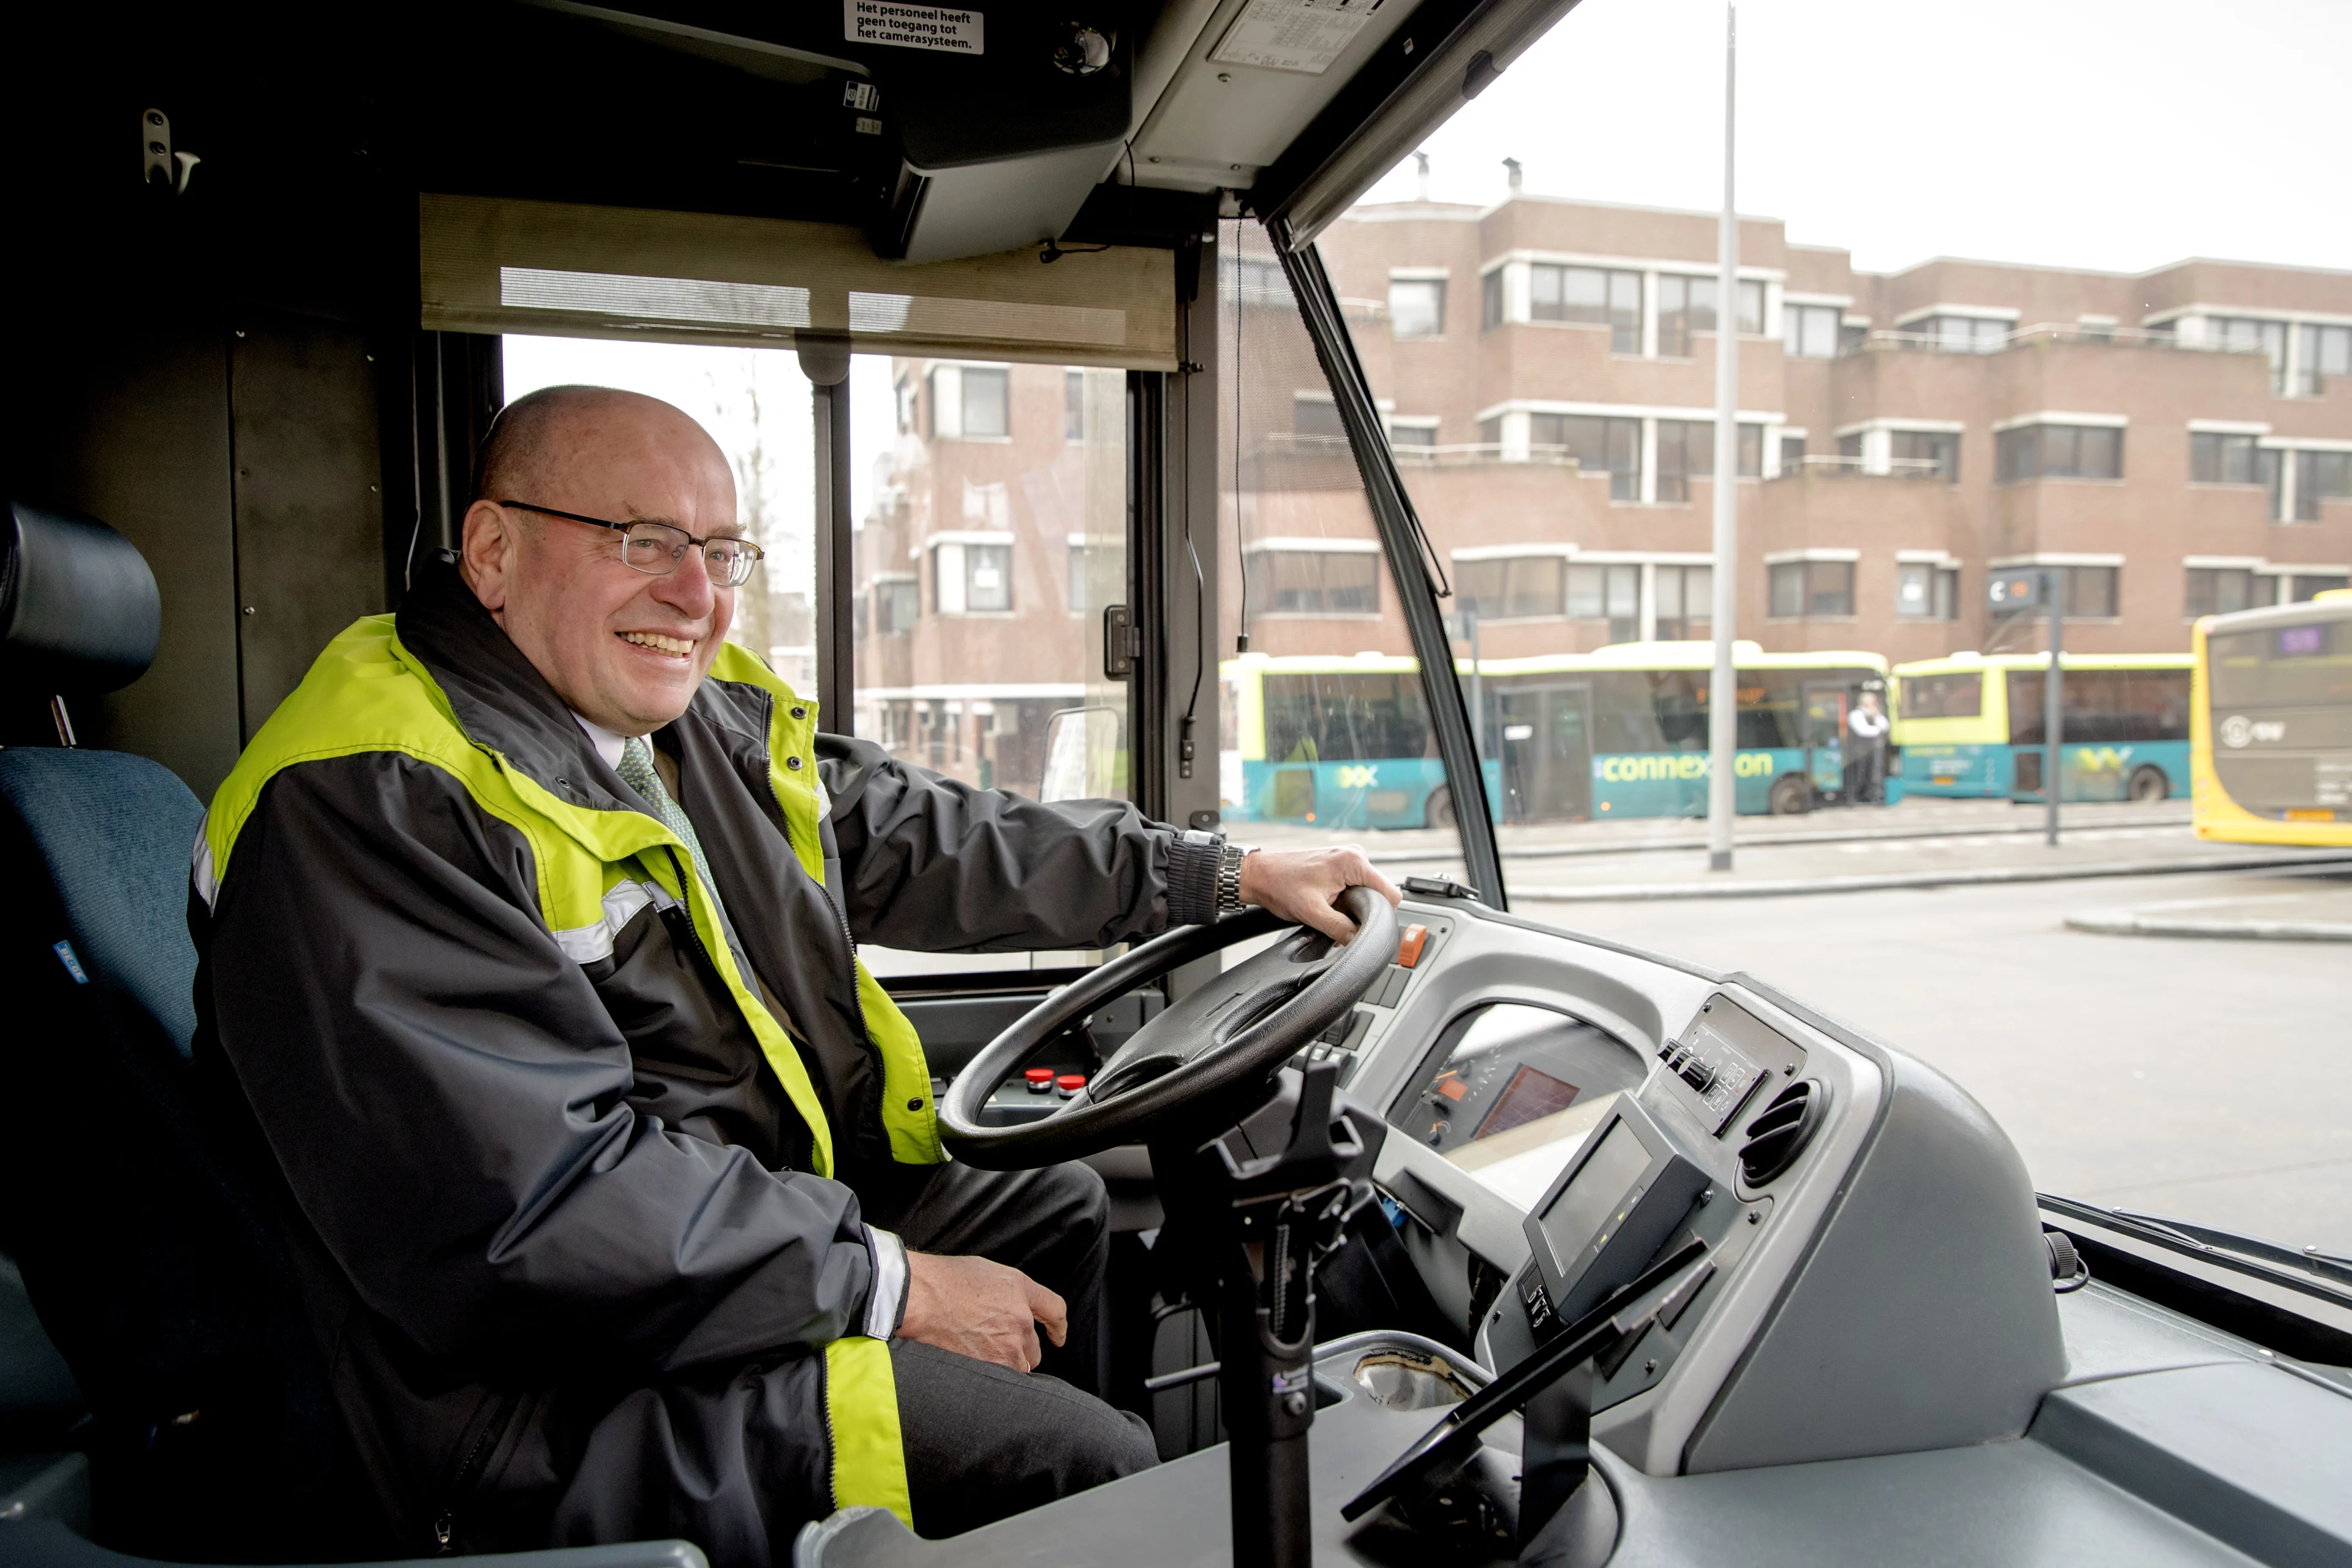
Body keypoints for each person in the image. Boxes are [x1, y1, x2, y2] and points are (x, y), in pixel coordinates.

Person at [189, 386, 1400, 1564]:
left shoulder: (673, 727)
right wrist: (896, 1285)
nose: (697, 594)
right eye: (644, 539)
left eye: (722, 550)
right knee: (1083, 1455)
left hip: (668, 1265)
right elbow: (535, 1209)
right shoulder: (373, 795)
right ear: (493, 550)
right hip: (507, 1396)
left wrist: (1218, 875)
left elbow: (925, 836)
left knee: (1058, 1210)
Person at [1848, 688, 1890, 805]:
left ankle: (1874, 796)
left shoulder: (1876, 715)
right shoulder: (1856, 714)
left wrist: (1877, 716)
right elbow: (1863, 731)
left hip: (1874, 749)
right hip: (1860, 750)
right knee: (1860, 774)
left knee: (1875, 773)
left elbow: (1886, 726)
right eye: (1873, 702)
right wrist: (1878, 730)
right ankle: (1856, 797)